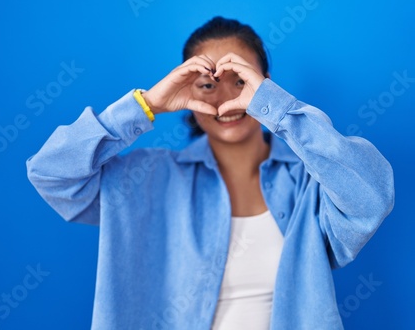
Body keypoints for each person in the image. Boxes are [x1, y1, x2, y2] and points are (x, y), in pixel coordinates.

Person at [26, 16, 394, 330]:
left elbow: (371, 197)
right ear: (187, 93)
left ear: (264, 83)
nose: (227, 100)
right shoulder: (148, 181)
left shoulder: (311, 184)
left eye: (240, 81)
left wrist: (278, 109)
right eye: (208, 85)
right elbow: (51, 174)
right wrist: (146, 105)